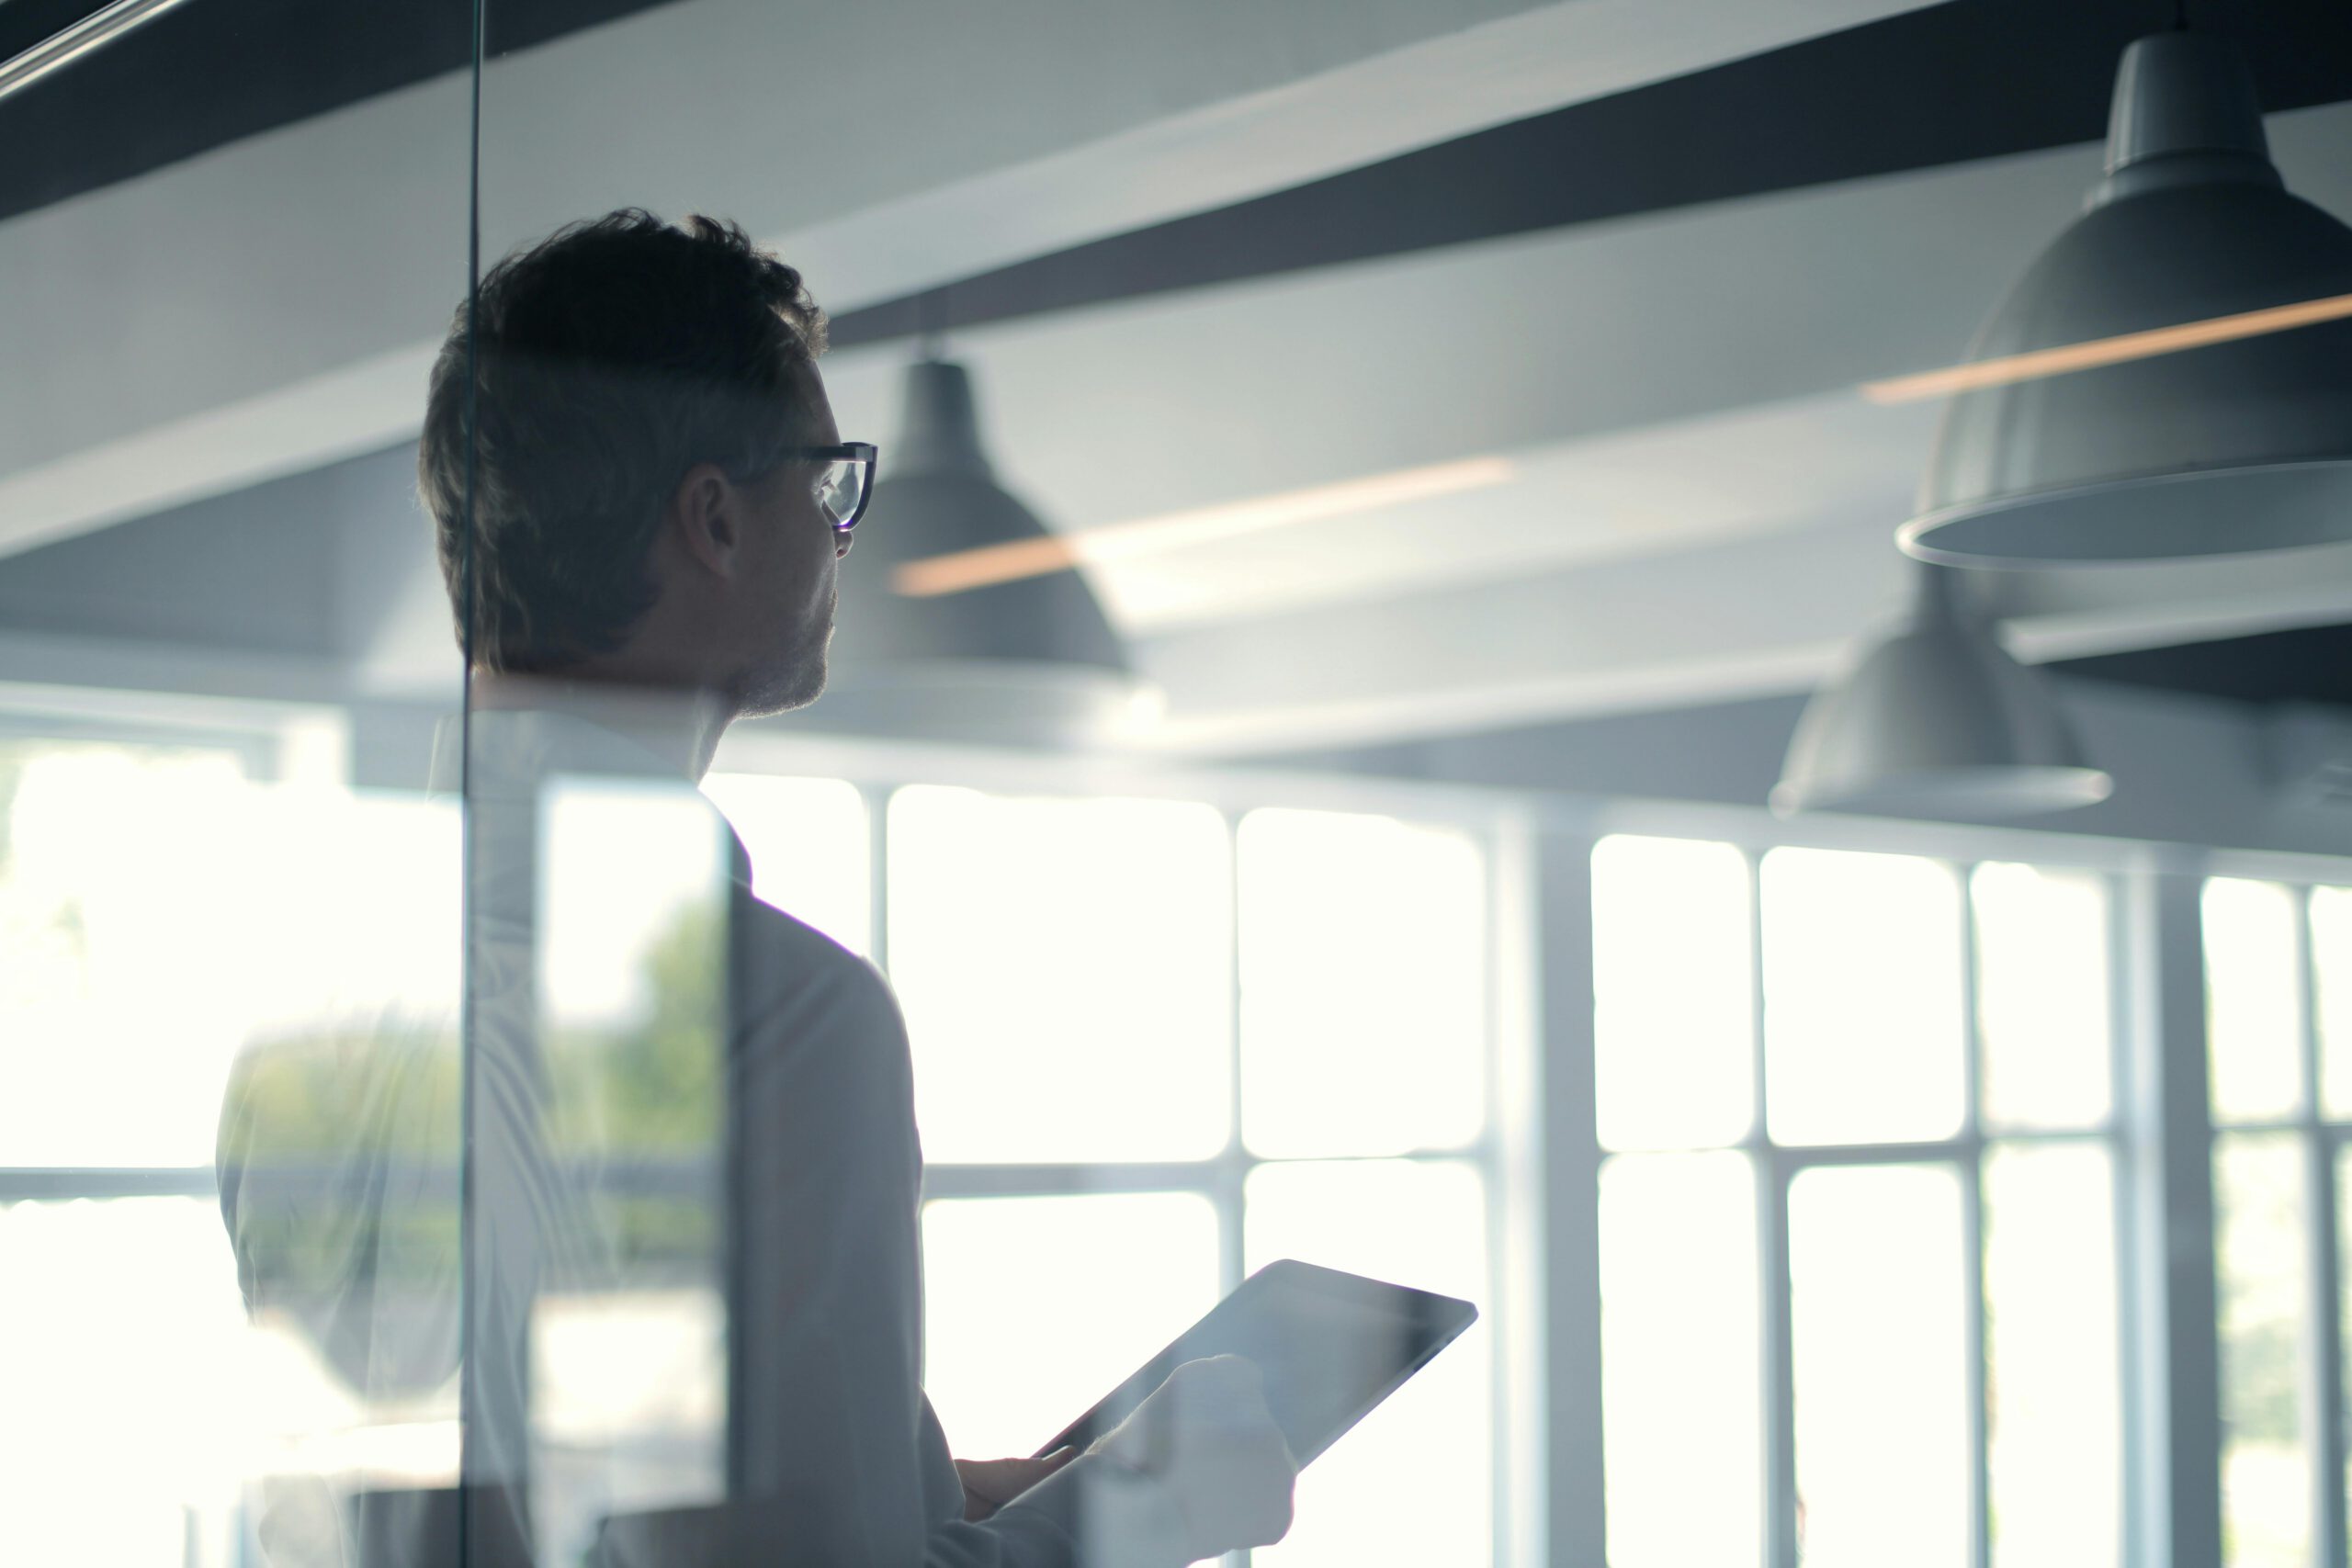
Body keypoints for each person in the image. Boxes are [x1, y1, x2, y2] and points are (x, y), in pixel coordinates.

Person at [220, 209, 1295, 1568]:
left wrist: (936, 1489)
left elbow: (554, 1500)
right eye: (829, 483)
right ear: (717, 519)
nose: (844, 533)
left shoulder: (305, 1022)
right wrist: (1143, 1512)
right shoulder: (775, 1017)